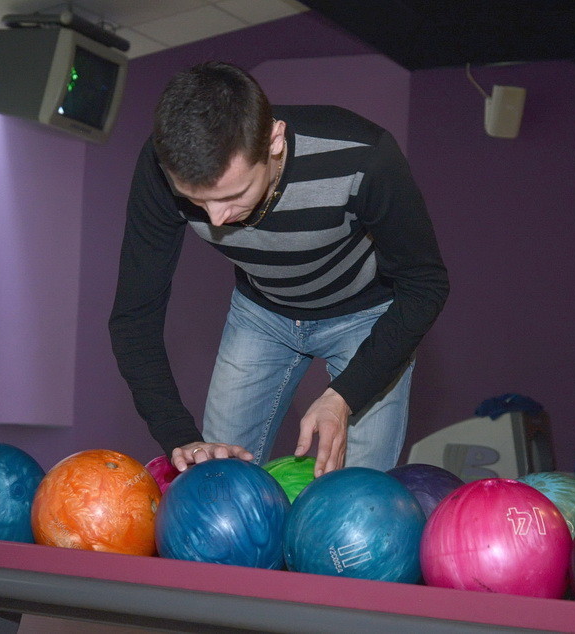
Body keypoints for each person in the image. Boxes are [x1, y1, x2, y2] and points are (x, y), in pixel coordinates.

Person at [109, 61, 448, 477]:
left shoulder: (364, 157)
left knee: (360, 495)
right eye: (196, 201)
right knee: (216, 482)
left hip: (367, 317)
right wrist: (181, 438)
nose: (216, 220)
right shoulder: (163, 167)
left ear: (274, 140)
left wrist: (344, 395)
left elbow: (425, 285)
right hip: (260, 314)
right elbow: (134, 319)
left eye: (233, 195)